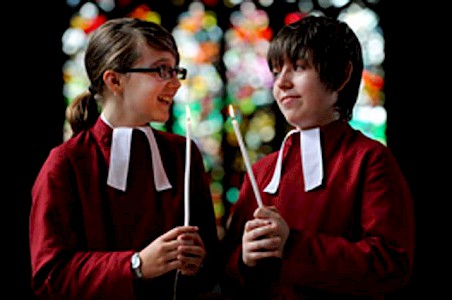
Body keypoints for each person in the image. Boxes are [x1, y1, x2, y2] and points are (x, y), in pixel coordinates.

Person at [221, 15, 415, 299]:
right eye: (276, 72)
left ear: (340, 75)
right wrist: (245, 261)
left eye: (298, 67)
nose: (282, 83)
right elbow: (229, 273)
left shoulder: (370, 160)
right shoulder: (261, 171)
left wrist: (293, 245)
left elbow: (390, 265)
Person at [29, 17, 222, 300]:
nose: (175, 84)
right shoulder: (66, 162)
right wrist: (136, 265)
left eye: (174, 71)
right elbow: (50, 277)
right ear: (115, 80)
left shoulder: (183, 154)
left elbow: (209, 266)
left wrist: (197, 263)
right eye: (160, 70)